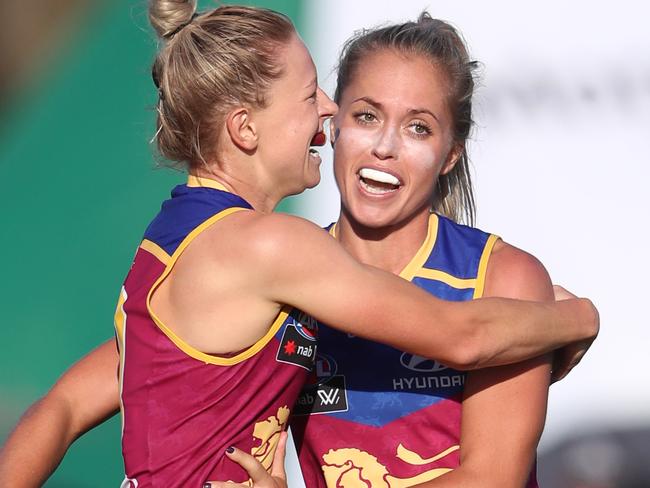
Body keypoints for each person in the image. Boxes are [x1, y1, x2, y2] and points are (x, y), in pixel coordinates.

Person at [0, 3, 598, 488]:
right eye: (358, 112)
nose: (381, 143)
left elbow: (490, 480)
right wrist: (581, 318)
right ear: (249, 127)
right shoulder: (281, 262)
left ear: (452, 153)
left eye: (419, 126)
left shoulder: (502, 279)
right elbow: (465, 337)